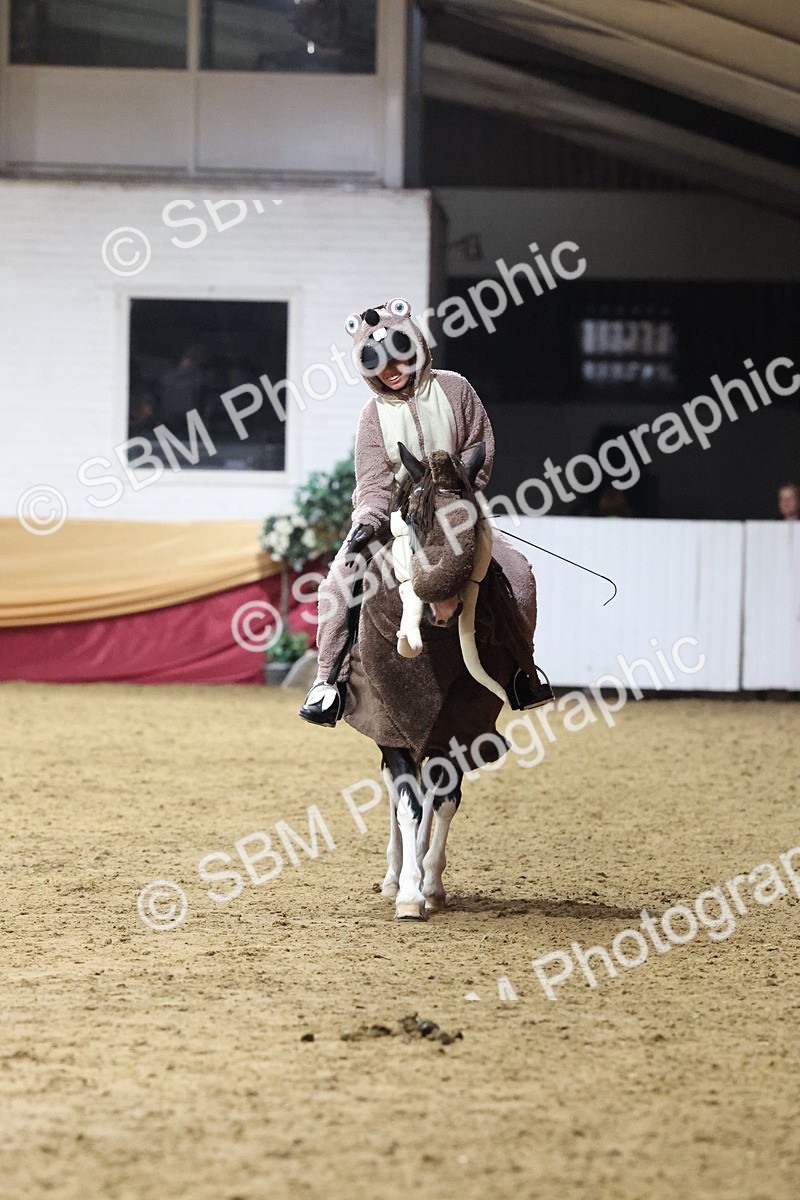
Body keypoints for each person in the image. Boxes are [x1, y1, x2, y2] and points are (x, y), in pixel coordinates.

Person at [299, 297, 553, 726]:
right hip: (402, 515)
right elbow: (374, 481)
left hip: (458, 505)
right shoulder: (371, 415)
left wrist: (459, 492)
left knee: (518, 572)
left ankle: (521, 674)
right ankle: (329, 683)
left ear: (415, 345)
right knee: (339, 581)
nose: (391, 369)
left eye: (399, 355)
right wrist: (366, 521)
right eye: (378, 363)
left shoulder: (455, 388)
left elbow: (478, 447)